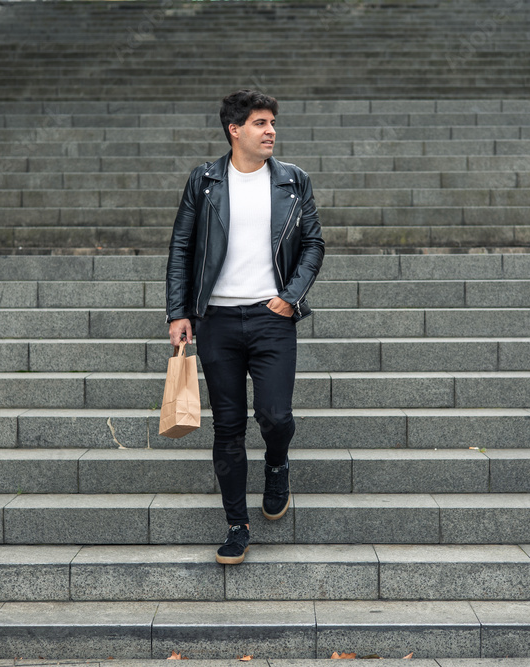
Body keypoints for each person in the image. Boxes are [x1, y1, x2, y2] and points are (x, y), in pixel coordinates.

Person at [165, 89, 324, 565]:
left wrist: (289, 296)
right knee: (228, 426)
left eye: (272, 122)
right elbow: (181, 249)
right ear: (235, 130)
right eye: (259, 122)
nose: (270, 130)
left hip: (271, 317)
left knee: (275, 416)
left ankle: (277, 464)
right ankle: (237, 525)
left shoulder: (294, 181)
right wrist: (179, 312)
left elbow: (313, 244)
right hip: (215, 321)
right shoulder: (206, 180)